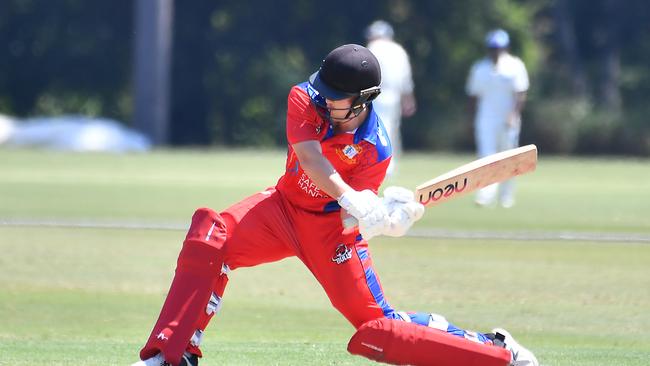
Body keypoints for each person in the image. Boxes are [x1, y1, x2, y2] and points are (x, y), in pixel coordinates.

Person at [132, 44, 538, 366]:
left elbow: (349, 220)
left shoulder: (375, 149)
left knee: (378, 328)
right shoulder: (304, 99)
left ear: (363, 101)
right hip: (281, 209)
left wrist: (383, 219)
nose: (322, 101)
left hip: (330, 234)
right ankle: (173, 355)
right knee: (211, 237)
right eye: (322, 92)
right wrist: (353, 197)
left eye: (335, 98)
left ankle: (496, 351)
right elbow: (310, 157)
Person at [466, 29, 529, 208]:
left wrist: (513, 114)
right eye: (493, 48)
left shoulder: (515, 66)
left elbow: (520, 93)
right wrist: (471, 120)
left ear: (506, 48)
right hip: (486, 118)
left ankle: (506, 196)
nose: (496, 51)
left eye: (499, 48)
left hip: (508, 118)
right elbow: (473, 96)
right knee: (486, 157)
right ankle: (485, 195)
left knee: (508, 157)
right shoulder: (480, 68)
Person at [365, 20, 416, 177]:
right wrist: (408, 99)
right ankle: (390, 165)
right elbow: (406, 78)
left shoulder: (372, 48)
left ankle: (382, 165)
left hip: (374, 94)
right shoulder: (399, 50)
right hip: (394, 95)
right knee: (391, 129)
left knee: (377, 129)